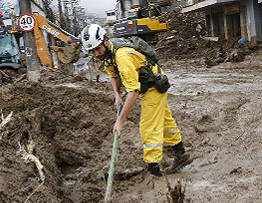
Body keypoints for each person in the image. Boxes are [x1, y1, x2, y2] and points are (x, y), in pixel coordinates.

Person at [80, 24, 191, 177]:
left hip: (154, 86)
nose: (96, 54)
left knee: (148, 126)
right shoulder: (107, 54)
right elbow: (113, 75)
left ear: (105, 40)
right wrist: (117, 95)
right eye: (92, 51)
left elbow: (133, 91)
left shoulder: (122, 56)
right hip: (147, 83)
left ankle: (154, 168)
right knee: (165, 121)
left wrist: (121, 119)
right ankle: (181, 153)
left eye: (97, 49)